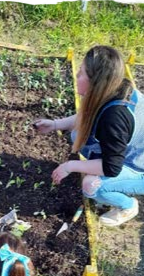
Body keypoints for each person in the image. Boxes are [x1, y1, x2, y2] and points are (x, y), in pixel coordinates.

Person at [34, 45, 144, 227]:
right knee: (78, 133)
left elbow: (111, 168)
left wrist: (70, 166)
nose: (76, 75)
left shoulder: (114, 118)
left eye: (81, 73)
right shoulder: (113, 87)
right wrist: (54, 124)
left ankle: (128, 206)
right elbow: (87, 116)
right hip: (130, 149)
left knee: (91, 185)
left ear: (96, 82)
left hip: (139, 166)